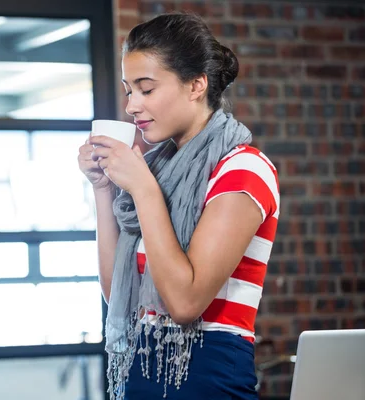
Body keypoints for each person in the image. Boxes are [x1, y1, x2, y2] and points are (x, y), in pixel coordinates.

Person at [77, 12, 279, 400]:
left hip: (208, 382)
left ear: (196, 86)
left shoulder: (243, 168)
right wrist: (104, 189)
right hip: (142, 379)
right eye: (128, 90)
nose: (132, 105)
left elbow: (185, 302)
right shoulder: (154, 171)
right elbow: (117, 291)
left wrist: (143, 188)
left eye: (146, 89)